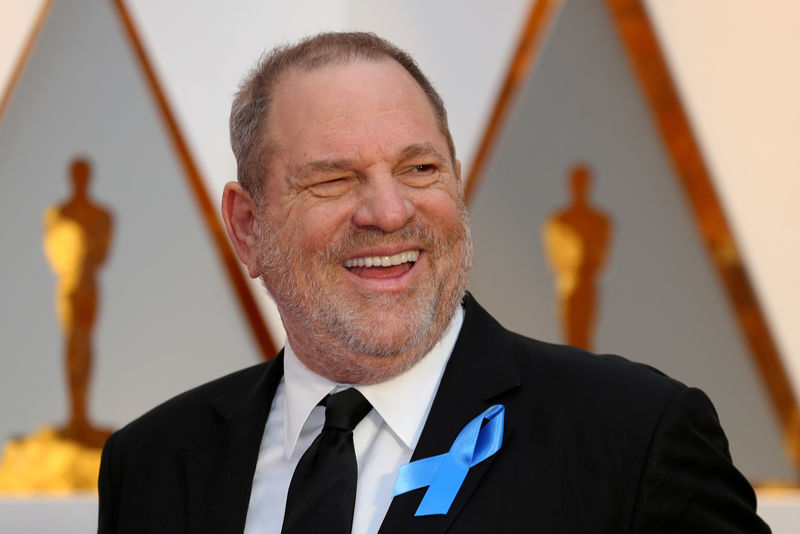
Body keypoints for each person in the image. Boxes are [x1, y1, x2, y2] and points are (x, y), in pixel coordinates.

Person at [97, 32, 770, 533]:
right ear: (248, 228)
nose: (389, 212)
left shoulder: (632, 438)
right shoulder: (153, 463)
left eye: (420, 169)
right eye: (334, 179)